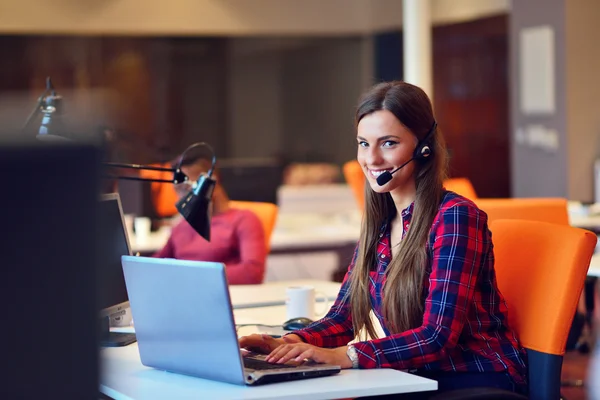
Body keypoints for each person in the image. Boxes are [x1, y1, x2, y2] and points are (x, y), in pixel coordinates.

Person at [239, 81, 528, 397]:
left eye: (388, 143)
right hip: (418, 376)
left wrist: (347, 355)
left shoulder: (455, 217)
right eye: (364, 143)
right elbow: (342, 318)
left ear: (423, 148)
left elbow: (437, 337)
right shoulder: (380, 222)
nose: (372, 159)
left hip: (479, 377)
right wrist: (290, 343)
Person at [154, 155, 267, 285]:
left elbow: (252, 273)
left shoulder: (244, 220)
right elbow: (155, 265)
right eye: (177, 190)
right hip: (185, 295)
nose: (181, 197)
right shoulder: (182, 225)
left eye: (186, 188)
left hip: (219, 297)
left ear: (210, 183)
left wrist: (190, 278)